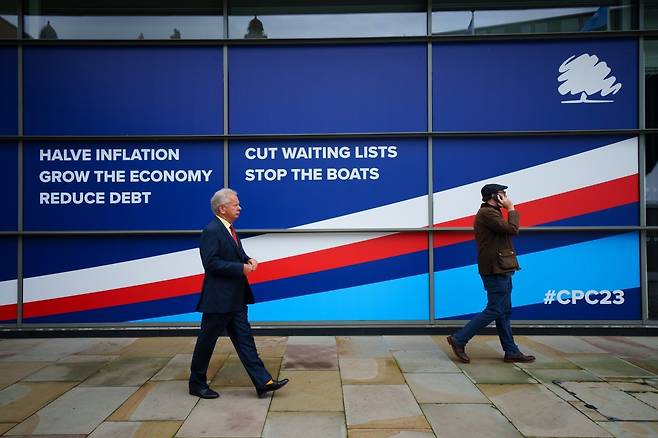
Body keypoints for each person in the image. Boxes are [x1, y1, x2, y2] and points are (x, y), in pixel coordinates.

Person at [189, 188, 289, 399]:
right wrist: (239, 268)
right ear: (222, 208)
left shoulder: (229, 229)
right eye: (235, 204)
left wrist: (247, 259)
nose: (239, 207)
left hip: (236, 297)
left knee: (245, 340)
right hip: (218, 300)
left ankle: (263, 382)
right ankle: (196, 383)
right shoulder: (212, 230)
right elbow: (211, 263)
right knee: (206, 341)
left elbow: (236, 254)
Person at [446, 184, 535, 364]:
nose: (506, 196)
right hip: (495, 269)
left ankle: (511, 351)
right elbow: (513, 229)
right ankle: (459, 339)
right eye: (503, 194)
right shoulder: (487, 214)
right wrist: (511, 208)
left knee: (503, 312)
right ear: (494, 196)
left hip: (502, 267)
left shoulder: (492, 213)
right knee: (495, 309)